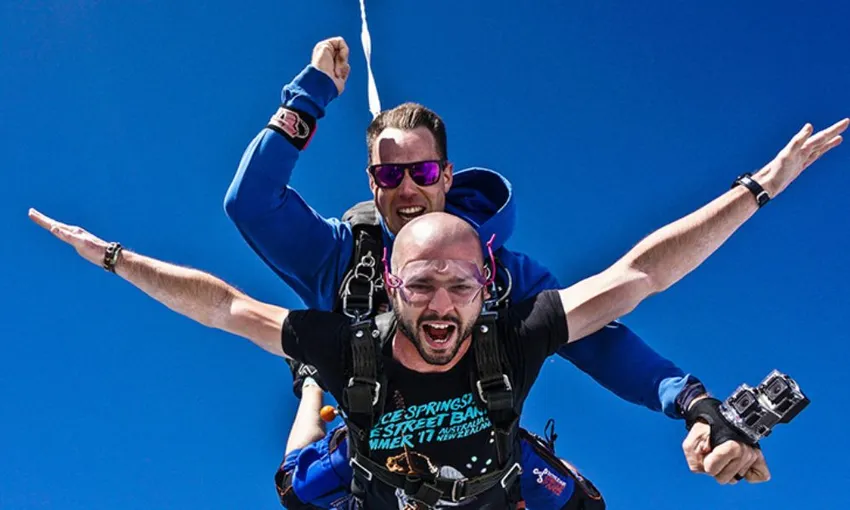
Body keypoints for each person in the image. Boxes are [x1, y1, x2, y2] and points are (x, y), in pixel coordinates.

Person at [28, 113, 847, 506]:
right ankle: (310, 392)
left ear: (486, 280)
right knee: (295, 480)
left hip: (485, 469)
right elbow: (226, 301)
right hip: (368, 451)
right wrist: (115, 257)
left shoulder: (513, 308)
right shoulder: (340, 288)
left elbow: (635, 283)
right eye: (421, 285)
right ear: (389, 284)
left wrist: (695, 406)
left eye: (462, 284)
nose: (443, 303)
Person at [222, 37, 699, 507]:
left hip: (487, 458)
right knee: (296, 491)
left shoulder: (501, 273)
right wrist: (309, 96)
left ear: (447, 176)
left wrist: (688, 401)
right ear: (372, 183)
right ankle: (310, 381)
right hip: (375, 454)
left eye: (424, 173)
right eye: (389, 175)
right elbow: (251, 203)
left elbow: (594, 334)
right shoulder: (341, 259)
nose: (408, 189)